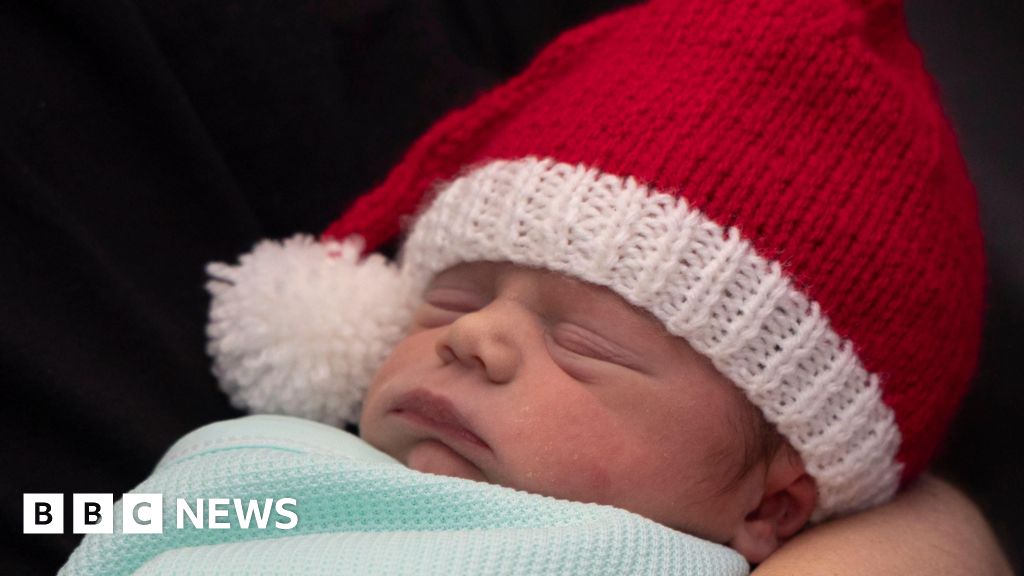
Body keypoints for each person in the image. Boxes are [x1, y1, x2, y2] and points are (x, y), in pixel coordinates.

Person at [196, 0, 996, 568]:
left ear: (769, 506)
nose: (473, 336)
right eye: (452, 300)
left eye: (583, 344)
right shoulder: (250, 464)